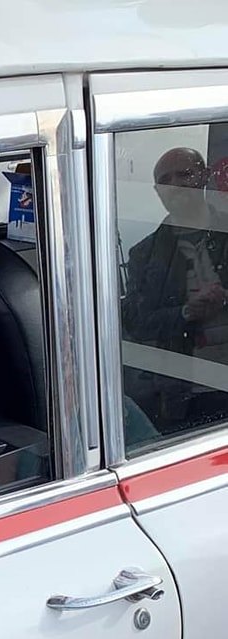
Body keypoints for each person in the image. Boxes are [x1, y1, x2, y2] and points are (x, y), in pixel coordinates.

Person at [123, 146, 228, 429]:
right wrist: (185, 312)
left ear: (205, 177)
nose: (177, 185)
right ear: (157, 192)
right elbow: (136, 322)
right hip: (183, 393)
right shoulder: (144, 254)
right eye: (166, 180)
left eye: (185, 174)